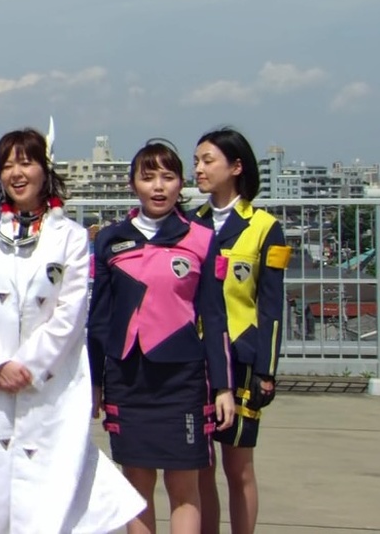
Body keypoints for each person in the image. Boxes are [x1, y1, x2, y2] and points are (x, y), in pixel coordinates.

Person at [0, 125, 143, 534]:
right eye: (7, 165)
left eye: (26, 162)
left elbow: (71, 312)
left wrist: (29, 366)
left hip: (51, 384)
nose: (16, 173)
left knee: (50, 497)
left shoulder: (70, 237)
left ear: (45, 168)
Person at [88, 139, 237, 533]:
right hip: (127, 377)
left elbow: (214, 318)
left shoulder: (201, 238)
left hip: (182, 380)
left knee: (184, 486)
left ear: (180, 184)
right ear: (132, 184)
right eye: (148, 177)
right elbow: (99, 321)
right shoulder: (109, 240)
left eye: (168, 177)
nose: (158, 186)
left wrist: (223, 387)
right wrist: (95, 383)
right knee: (135, 487)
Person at [193, 127, 290, 534]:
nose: (198, 169)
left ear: (236, 167)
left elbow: (270, 305)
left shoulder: (265, 227)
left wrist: (266, 369)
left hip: (241, 357)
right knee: (199, 467)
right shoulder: (189, 223)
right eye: (196, 161)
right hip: (195, 357)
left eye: (208, 161)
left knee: (238, 467)